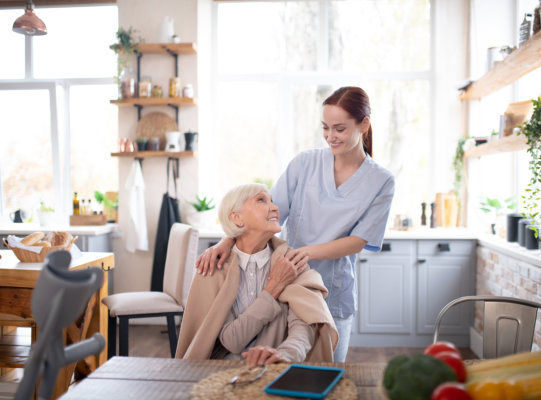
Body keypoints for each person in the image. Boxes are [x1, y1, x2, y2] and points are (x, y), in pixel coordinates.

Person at [196, 86, 395, 362]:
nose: (330, 137)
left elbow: (359, 240)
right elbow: (267, 214)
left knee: (327, 373)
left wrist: (305, 253)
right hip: (286, 285)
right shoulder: (305, 164)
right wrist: (226, 240)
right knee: (281, 369)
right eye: (325, 128)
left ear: (364, 124)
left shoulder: (381, 181)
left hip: (333, 294)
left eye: (339, 129)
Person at [176, 183, 338, 365]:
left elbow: (303, 326)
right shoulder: (214, 267)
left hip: (277, 370)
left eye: (272, 201)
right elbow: (232, 340)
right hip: (222, 371)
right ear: (237, 218)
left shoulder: (291, 262)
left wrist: (286, 354)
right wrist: (272, 288)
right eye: (261, 200)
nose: (275, 208)